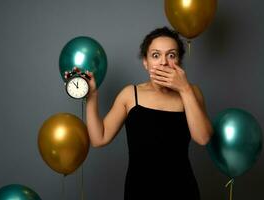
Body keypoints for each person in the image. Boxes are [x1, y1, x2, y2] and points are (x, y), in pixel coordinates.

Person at [67, 26, 213, 199]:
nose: (164, 62)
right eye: (156, 55)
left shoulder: (192, 92)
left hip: (182, 190)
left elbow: (203, 138)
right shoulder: (130, 94)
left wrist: (185, 89)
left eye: (171, 55)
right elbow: (99, 139)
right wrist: (92, 96)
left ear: (179, 61)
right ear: (146, 62)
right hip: (139, 191)